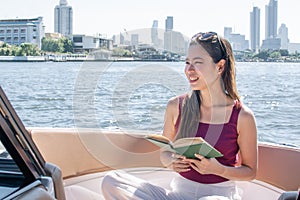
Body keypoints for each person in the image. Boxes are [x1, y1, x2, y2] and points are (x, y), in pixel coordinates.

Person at [101, 31, 257, 200]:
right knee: (111, 181)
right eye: (187, 62)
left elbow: (250, 172)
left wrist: (218, 169)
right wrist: (171, 162)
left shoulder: (242, 116)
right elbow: (165, 153)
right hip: (178, 195)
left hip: (218, 196)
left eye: (197, 63)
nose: (189, 70)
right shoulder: (176, 106)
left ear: (219, 66)